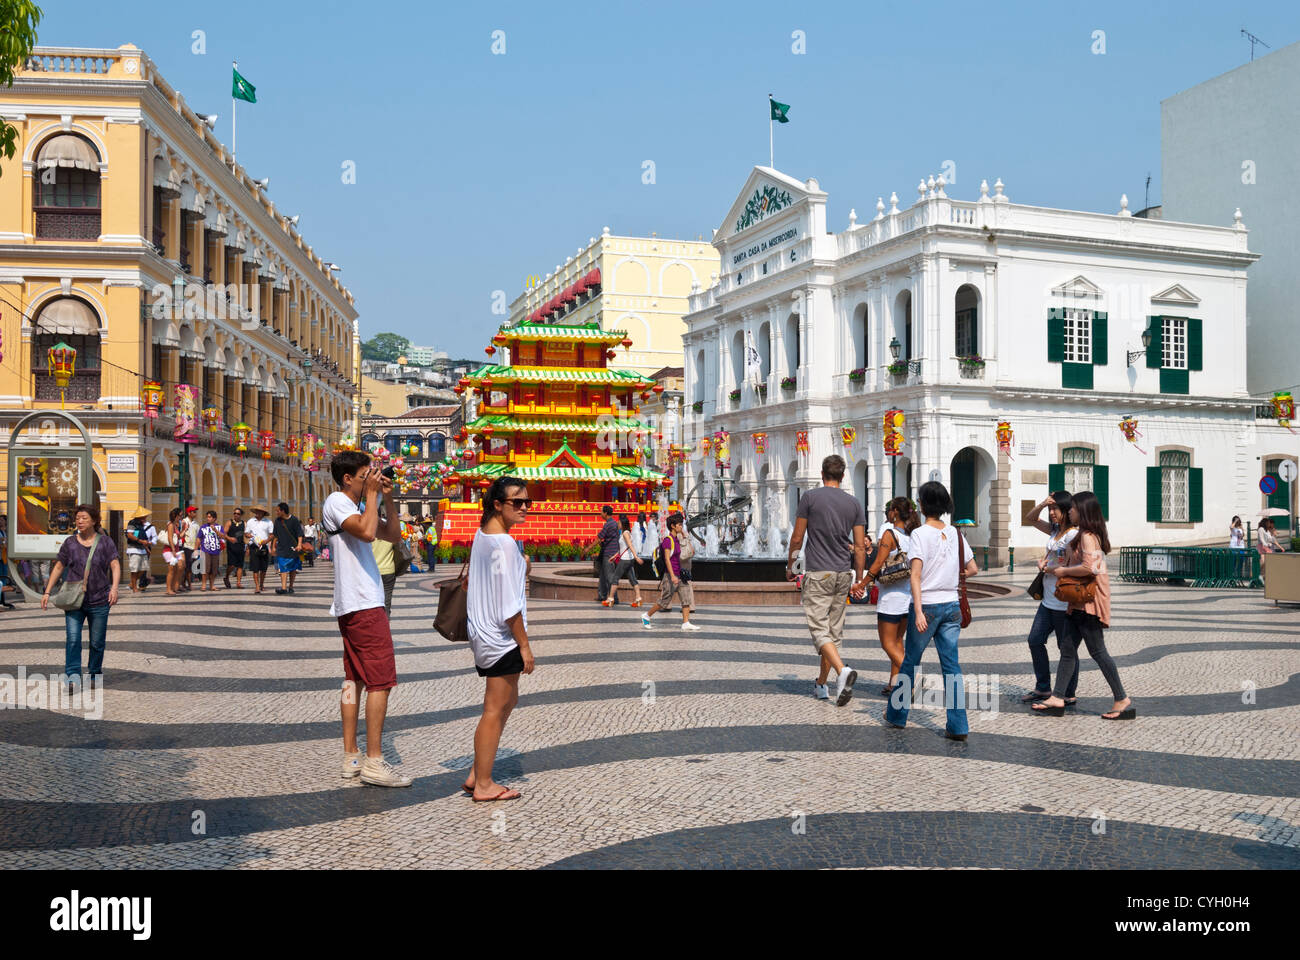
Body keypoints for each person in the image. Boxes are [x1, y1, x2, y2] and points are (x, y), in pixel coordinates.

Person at [321, 450, 410, 787]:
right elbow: (369, 533)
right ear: (347, 479)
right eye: (364, 476)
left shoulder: (357, 505)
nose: (368, 480)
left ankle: (351, 756)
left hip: (356, 602)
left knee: (353, 679)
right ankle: (374, 761)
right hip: (363, 603)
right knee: (380, 681)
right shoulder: (336, 501)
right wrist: (371, 496)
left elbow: (393, 535)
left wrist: (386, 497)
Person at [883, 480, 980, 741]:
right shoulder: (956, 533)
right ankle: (958, 726)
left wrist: (917, 611)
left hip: (927, 606)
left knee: (910, 663)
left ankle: (896, 716)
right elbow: (972, 569)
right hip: (951, 606)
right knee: (952, 667)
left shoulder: (920, 534)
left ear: (924, 505)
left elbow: (915, 575)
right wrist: (948, 573)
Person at [1032, 491, 1134, 721]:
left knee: (1098, 652)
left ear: (1084, 511)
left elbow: (1090, 568)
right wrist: (1052, 567)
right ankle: (1058, 697)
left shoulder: (1088, 536)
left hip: (1088, 602)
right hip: (1077, 602)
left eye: (1073, 508)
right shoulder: (1081, 536)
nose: (1070, 511)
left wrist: (1063, 572)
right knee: (1067, 650)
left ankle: (1122, 698)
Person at [466, 476, 535, 802]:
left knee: (507, 701)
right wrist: (524, 645)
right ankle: (483, 784)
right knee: (495, 708)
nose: (524, 508)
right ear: (497, 504)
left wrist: (521, 567)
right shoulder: (505, 545)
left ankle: (477, 770)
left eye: (527, 502)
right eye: (516, 502)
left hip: (482, 631)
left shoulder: (483, 535)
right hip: (501, 636)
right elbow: (510, 608)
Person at [788, 455, 865, 706]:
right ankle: (822, 684)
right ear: (842, 477)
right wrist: (860, 580)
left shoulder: (809, 498)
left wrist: (791, 565)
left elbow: (798, 538)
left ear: (822, 474)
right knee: (833, 633)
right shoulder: (853, 503)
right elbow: (861, 548)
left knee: (820, 631)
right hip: (843, 573)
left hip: (819, 572)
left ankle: (842, 671)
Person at [40, 504, 121, 694]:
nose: (80, 521)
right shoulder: (70, 543)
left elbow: (115, 565)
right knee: (73, 640)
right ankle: (72, 678)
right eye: (77, 518)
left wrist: (114, 588)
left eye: (84, 518)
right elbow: (59, 567)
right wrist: (47, 591)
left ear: (94, 520)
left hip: (100, 599)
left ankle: (94, 674)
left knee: (97, 642)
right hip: (74, 601)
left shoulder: (105, 542)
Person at [854, 496, 920, 695]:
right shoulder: (914, 535)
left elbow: (876, 564)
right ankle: (894, 684)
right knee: (898, 642)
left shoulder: (890, 535)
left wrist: (862, 584)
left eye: (890, 510)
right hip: (907, 598)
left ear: (896, 512)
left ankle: (913, 678)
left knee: (887, 643)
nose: (888, 513)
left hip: (890, 600)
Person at [1018, 492, 1080, 704]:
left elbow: (1074, 567)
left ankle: (1069, 692)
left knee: (1067, 650)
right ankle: (1043, 687)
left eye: (1056, 509)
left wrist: (1049, 568)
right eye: (1050, 510)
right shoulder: (1055, 531)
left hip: (1064, 601)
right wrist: (1043, 502)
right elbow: (1030, 519)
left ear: (1066, 510)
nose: (1052, 513)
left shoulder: (1073, 535)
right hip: (1048, 600)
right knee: (1035, 640)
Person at [640, 512, 700, 631]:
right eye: (679, 525)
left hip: (680, 574)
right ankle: (646, 615)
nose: (681, 526)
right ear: (672, 526)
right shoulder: (668, 540)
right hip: (670, 575)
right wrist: (672, 576)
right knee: (664, 601)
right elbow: (667, 559)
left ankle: (686, 622)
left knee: (686, 598)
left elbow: (689, 552)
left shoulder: (677, 539)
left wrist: (685, 536)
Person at [604, 515, 644, 607]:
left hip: (625, 560)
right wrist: (615, 556)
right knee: (633, 579)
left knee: (615, 578)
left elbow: (630, 545)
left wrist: (636, 557)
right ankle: (638, 599)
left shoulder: (625, 533)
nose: (618, 524)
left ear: (623, 524)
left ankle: (610, 599)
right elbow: (623, 548)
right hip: (629, 560)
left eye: (619, 523)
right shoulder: (625, 533)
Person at [272, 502, 306, 595]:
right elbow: (275, 535)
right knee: (283, 567)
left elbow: (299, 534)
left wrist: (299, 545)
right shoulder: (277, 521)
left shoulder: (294, 520)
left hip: (293, 548)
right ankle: (283, 588)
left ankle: (291, 586)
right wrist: (273, 547)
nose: (276, 512)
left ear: (283, 511)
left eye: (278, 510)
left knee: (293, 568)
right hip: (282, 548)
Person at [371, 508, 398, 616]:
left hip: (372, 571)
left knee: (372, 603)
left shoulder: (367, 530)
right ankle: (385, 625)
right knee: (386, 602)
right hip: (388, 570)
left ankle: (375, 627)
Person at [124, 506, 157, 593]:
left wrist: (146, 547)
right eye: (143, 516)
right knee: (134, 569)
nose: (145, 518)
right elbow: (130, 535)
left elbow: (143, 538)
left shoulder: (141, 525)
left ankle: (132, 583)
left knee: (143, 568)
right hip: (134, 549)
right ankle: (134, 587)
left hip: (142, 549)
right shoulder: (132, 523)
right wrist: (140, 541)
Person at [245, 506, 274, 594]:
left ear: (263, 513)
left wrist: (266, 541)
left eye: (260, 511)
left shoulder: (268, 522)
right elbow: (246, 533)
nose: (258, 513)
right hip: (254, 546)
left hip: (264, 546)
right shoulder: (250, 521)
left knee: (263, 568)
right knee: (255, 567)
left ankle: (261, 584)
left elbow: (272, 535)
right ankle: (257, 586)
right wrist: (248, 535)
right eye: (257, 511)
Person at [595, 504, 621, 603]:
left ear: (605, 513)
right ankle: (602, 595)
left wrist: (588, 548)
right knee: (603, 574)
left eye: (601, 512)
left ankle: (614, 598)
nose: (600, 514)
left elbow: (599, 537)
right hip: (610, 552)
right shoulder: (613, 523)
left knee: (610, 576)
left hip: (609, 553)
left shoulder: (609, 524)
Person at [196, 510, 226, 591]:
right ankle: (204, 585)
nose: (208, 518)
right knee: (205, 568)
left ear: (214, 518)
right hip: (205, 550)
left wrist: (215, 530)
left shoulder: (219, 527)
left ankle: (212, 585)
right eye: (207, 517)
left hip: (216, 550)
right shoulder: (203, 527)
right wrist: (196, 550)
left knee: (214, 569)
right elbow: (199, 538)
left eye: (210, 517)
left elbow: (223, 536)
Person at [163, 507, 185, 596]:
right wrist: (173, 550)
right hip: (169, 550)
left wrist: (184, 530)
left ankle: (173, 587)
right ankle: (168, 589)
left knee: (179, 567)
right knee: (171, 570)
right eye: (180, 515)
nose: (181, 517)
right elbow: (170, 538)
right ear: (176, 515)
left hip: (175, 550)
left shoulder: (175, 525)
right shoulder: (170, 525)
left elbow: (178, 537)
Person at [223, 508, 246, 589]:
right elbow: (223, 534)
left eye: (238, 513)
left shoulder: (244, 523)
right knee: (232, 565)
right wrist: (229, 538)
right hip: (231, 547)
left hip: (241, 546)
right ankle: (226, 577)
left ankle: (238, 583)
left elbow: (246, 535)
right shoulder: (229, 522)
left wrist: (248, 546)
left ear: (241, 515)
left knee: (240, 566)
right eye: (235, 513)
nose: (236, 515)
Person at [181, 505, 199, 591]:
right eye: (194, 512)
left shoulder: (196, 523)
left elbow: (198, 536)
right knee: (188, 566)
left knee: (190, 567)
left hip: (194, 547)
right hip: (186, 546)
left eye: (195, 512)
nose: (195, 513)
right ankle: (189, 584)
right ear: (189, 513)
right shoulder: (184, 522)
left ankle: (184, 583)